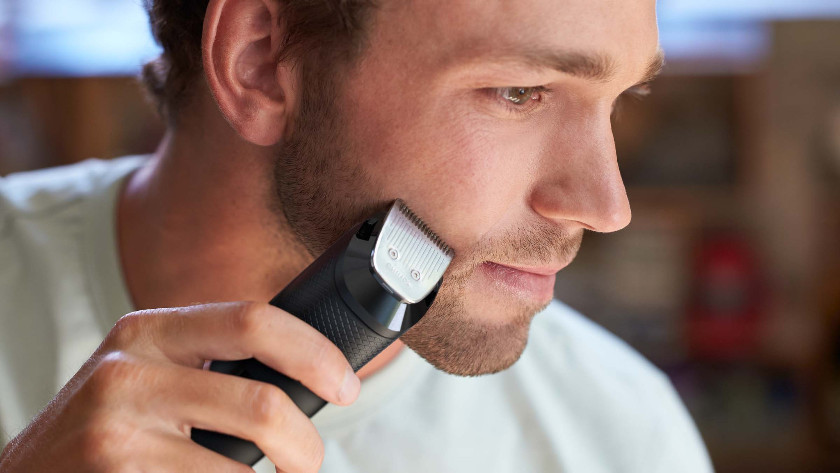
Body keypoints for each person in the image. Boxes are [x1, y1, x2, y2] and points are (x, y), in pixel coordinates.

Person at [0, 0, 714, 471]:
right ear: (260, 61)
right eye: (519, 92)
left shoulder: (624, 434)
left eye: (621, 99)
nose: (605, 204)